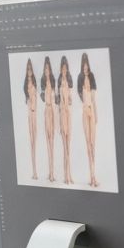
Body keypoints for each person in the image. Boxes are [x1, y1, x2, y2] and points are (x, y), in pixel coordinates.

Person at [78, 52, 98, 188]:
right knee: (88, 145)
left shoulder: (92, 77)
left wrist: (96, 114)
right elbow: (82, 99)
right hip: (84, 113)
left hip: (92, 111)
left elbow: (94, 100)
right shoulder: (80, 79)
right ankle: (92, 177)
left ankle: (94, 176)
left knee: (93, 144)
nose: (85, 69)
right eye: (83, 67)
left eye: (87, 67)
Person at [57, 55, 74, 186]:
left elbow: (70, 100)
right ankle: (66, 176)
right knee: (64, 148)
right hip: (62, 114)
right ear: (61, 69)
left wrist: (68, 99)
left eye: (65, 69)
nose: (64, 71)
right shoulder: (59, 83)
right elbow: (59, 105)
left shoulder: (68, 82)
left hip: (68, 114)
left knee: (68, 147)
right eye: (62, 69)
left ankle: (69, 175)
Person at [39, 55, 57, 182]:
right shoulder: (42, 82)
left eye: (48, 68)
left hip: (53, 111)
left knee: (53, 141)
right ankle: (50, 172)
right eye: (45, 69)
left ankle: (52, 172)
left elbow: (56, 98)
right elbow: (42, 98)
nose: (47, 70)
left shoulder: (53, 81)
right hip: (46, 110)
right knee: (48, 140)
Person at [22, 58, 38, 180]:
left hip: (34, 114)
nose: (29, 71)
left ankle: (35, 171)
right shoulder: (26, 85)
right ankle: (34, 171)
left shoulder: (34, 84)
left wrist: (33, 107)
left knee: (35, 142)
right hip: (29, 114)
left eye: (30, 69)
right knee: (31, 141)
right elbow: (28, 101)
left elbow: (35, 100)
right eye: (28, 69)